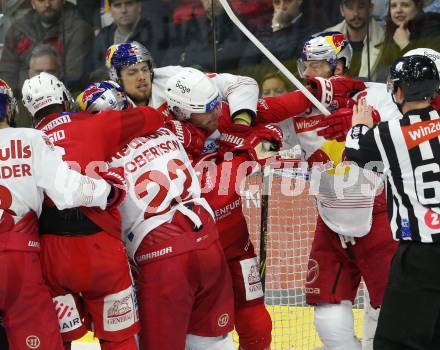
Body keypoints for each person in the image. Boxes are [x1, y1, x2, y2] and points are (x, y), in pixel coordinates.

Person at [253, 31, 398, 350]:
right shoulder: (299, 107)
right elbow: (269, 135)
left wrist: (372, 126)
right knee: (327, 310)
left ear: (340, 65)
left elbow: (405, 137)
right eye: (306, 65)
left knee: (386, 307)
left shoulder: (377, 95)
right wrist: (263, 141)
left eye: (316, 66)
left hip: (380, 218)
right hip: (330, 220)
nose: (307, 73)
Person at [78, 80, 236, 350]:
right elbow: (201, 137)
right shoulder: (167, 128)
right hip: (209, 241)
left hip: (163, 254)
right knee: (212, 341)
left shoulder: (98, 157)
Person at [21, 72, 165, 350]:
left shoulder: (27, 142)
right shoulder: (95, 122)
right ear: (64, 97)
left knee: (58, 341)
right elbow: (153, 117)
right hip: (101, 249)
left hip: (51, 255)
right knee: (119, 340)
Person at [0, 78, 128, 350]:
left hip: (40, 255)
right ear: (8, 109)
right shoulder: (30, 139)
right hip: (20, 260)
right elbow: (67, 190)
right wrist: (108, 192)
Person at [164, 67, 280, 350]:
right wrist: (240, 157)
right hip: (192, 254)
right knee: (199, 332)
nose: (217, 112)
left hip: (236, 247)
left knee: (256, 323)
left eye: (217, 103)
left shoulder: (222, 116)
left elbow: (272, 137)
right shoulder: (164, 139)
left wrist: (264, 144)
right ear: (181, 112)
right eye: (208, 109)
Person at [344, 54, 440, 350]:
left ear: (398, 91)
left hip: (419, 255)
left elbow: (356, 154)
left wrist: (359, 125)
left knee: (393, 342)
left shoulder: (387, 134)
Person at [105, 41, 259, 125]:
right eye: (132, 72)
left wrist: (241, 123)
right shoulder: (105, 103)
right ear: (116, 78)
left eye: (145, 69)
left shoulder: (173, 78)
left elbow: (242, 83)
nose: (142, 77)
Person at [0, 0, 94, 94]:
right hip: (21, 100)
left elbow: (74, 78)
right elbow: (7, 75)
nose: (47, 4)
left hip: (63, 101)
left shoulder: (79, 30)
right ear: (33, 3)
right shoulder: (17, 30)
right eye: (41, 0)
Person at [238, 0, 319, 82]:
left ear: (299, 1)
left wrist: (279, 29)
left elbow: (285, 65)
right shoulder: (263, 30)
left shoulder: (311, 28)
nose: (282, 7)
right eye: (277, 2)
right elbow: (244, 69)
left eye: (288, 1)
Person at [91, 0, 169, 73]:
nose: (123, 10)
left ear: (139, 7)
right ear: (110, 10)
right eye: (117, 5)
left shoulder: (155, 34)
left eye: (129, 4)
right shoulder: (102, 37)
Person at [374, 0, 440, 81]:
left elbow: (428, 73)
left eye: (405, 5)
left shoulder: (433, 28)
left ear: (417, 7)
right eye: (393, 6)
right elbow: (382, 74)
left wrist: (404, 45)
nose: (398, 10)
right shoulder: (392, 30)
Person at [325, 0, 385, 80]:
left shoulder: (385, 39)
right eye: (350, 7)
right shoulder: (325, 40)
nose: (355, 13)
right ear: (342, 10)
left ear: (370, 8)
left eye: (361, 6)